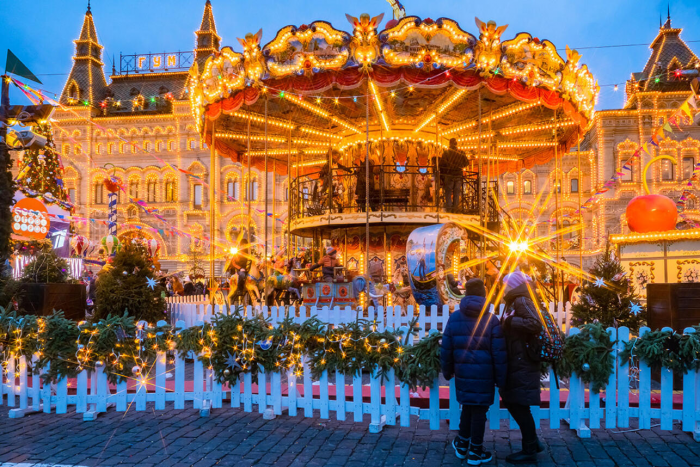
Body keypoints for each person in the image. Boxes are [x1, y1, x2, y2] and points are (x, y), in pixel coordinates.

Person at [441, 278, 507, 464]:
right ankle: (475, 451)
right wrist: (501, 380)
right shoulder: (491, 320)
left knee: (468, 406)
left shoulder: (454, 318)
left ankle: (463, 444)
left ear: (466, 294)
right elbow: (499, 353)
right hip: (485, 374)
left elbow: (446, 348)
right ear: (483, 295)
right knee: (479, 411)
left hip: (463, 371)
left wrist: (447, 371)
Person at [500, 271, 545, 464]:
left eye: (505, 284)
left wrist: (510, 321)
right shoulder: (517, 299)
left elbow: (535, 323)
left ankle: (530, 448)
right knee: (516, 402)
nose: (503, 288)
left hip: (522, 361)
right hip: (519, 359)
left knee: (517, 404)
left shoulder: (521, 300)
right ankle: (533, 442)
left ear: (513, 285)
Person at [439, 138, 468, 213]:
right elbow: (466, 163)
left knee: (448, 191)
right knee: (456, 192)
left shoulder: (446, 153)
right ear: (456, 144)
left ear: (450, 144)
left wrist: (443, 173)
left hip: (449, 174)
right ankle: (455, 208)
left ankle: (449, 208)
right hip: (458, 174)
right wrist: (460, 165)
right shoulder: (461, 152)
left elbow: (441, 164)